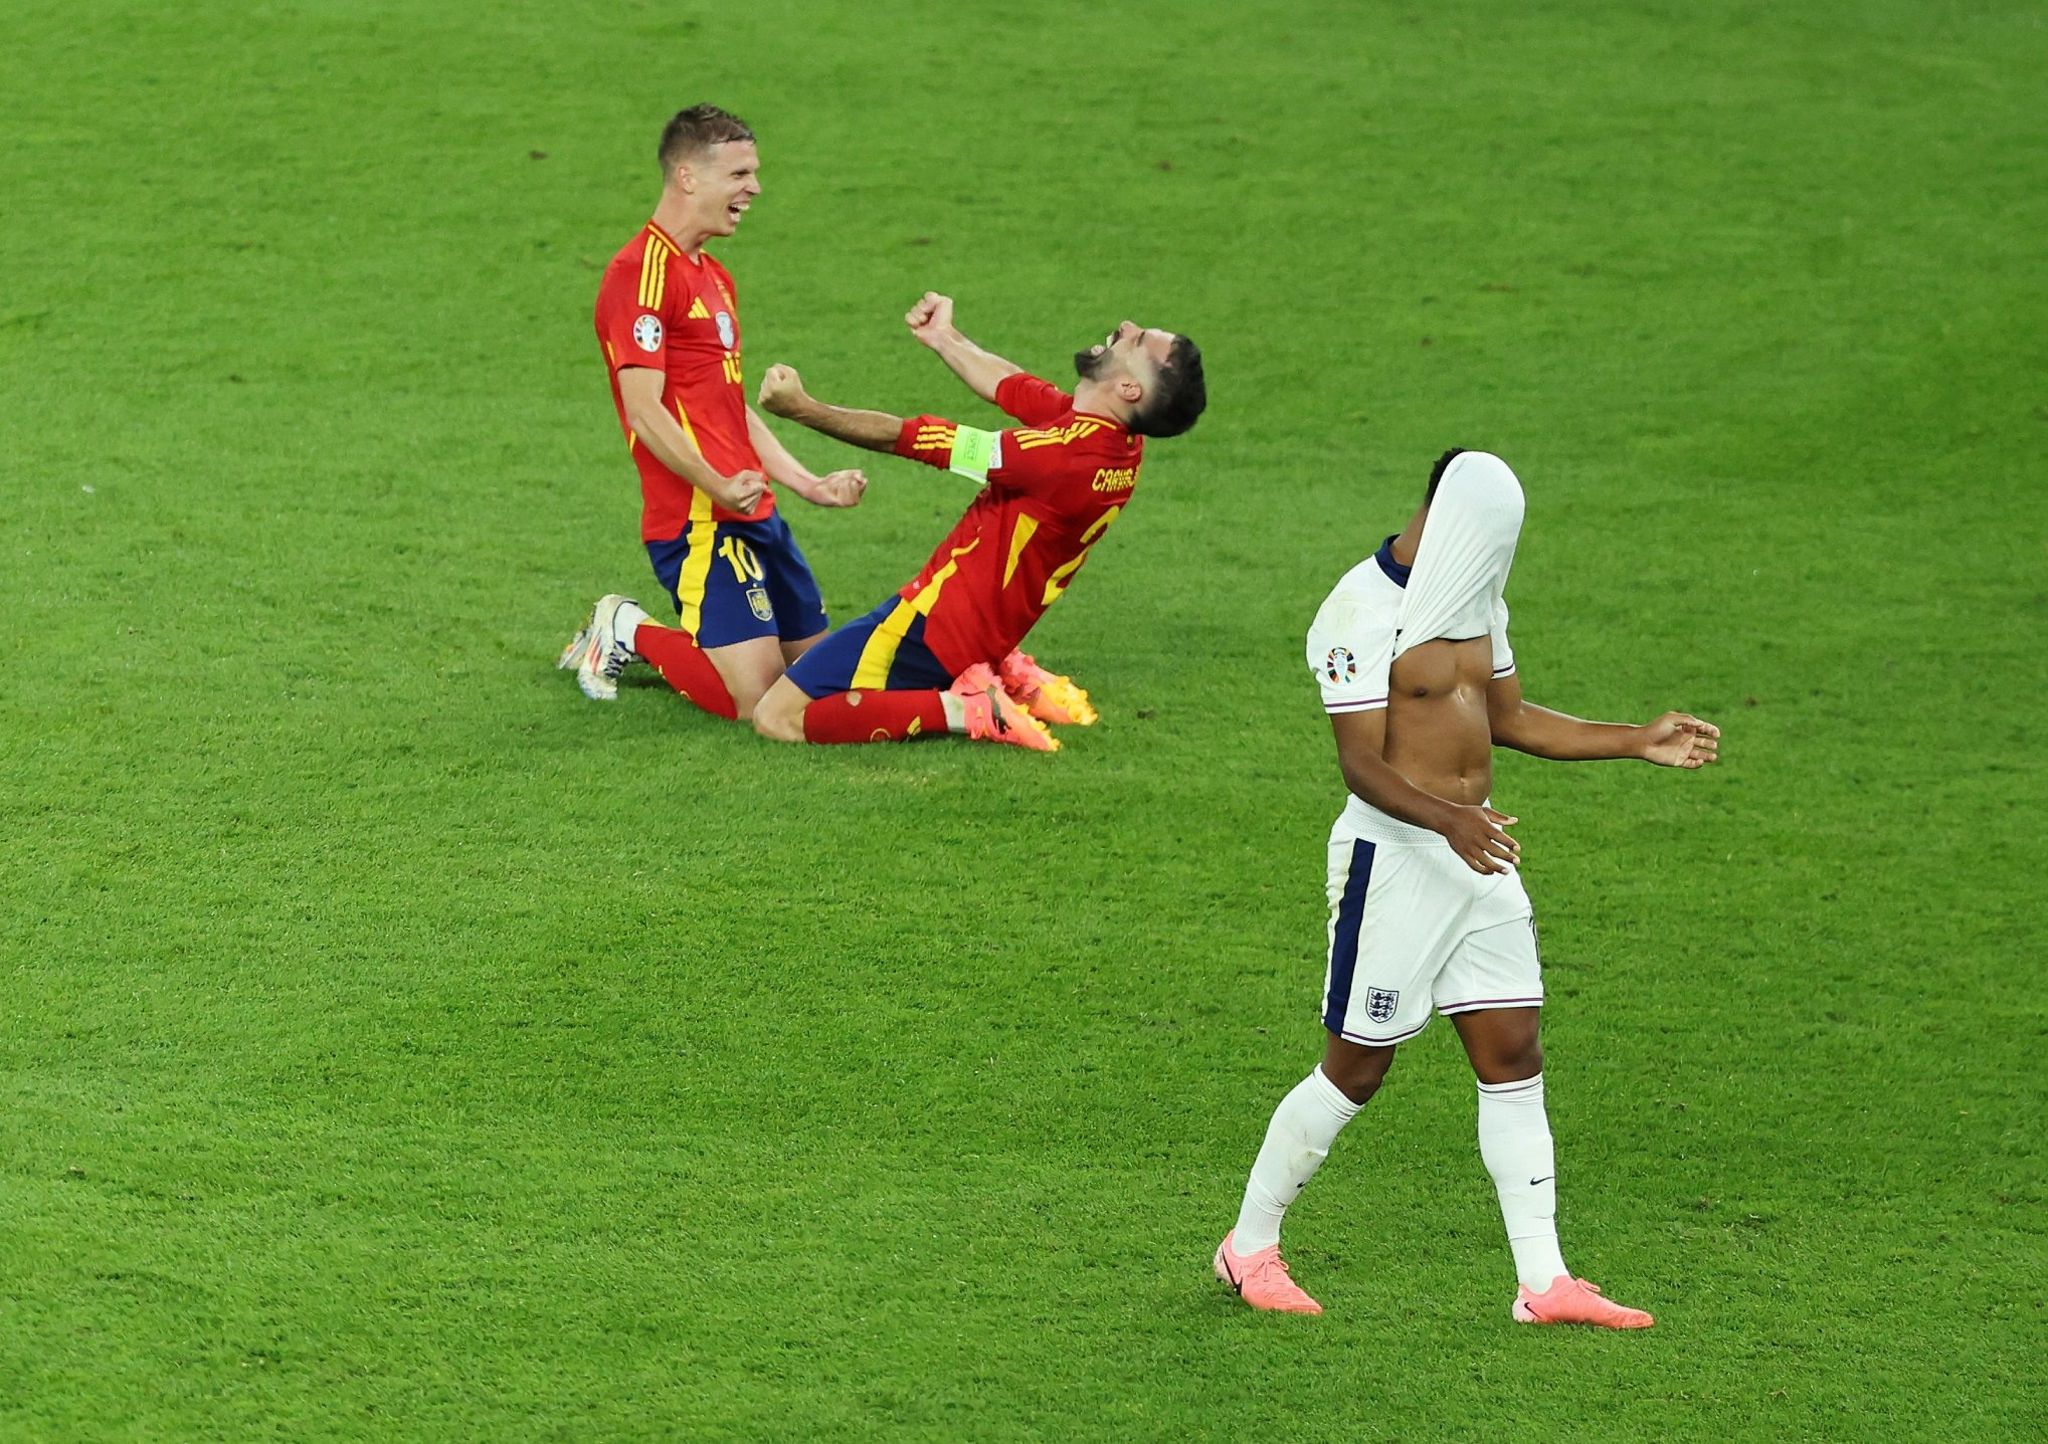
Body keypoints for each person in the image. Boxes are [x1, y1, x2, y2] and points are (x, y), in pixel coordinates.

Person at [1215, 448, 1721, 1323]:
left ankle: (1544, 1283)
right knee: (1355, 1075)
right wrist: (1447, 820)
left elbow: (1510, 717)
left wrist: (1633, 739)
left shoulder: (1477, 593)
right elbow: (1360, 766)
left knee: (1514, 1053)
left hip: (1477, 856)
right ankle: (1249, 1248)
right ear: (1446, 513)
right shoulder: (1357, 611)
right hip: (1395, 863)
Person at [745, 294, 1206, 750]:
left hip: (934, 627)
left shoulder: (1059, 459)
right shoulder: (1114, 443)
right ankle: (999, 670)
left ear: (1129, 390)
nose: (1126, 326)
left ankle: (966, 709)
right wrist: (944, 337)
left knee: (777, 715)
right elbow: (1011, 385)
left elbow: (908, 437)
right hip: (984, 631)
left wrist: (800, 408)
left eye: (1138, 340)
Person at [558, 104, 868, 721]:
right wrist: (717, 485)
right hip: (698, 518)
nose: (754, 188)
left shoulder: (715, 277)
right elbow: (644, 412)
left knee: (815, 681)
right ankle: (624, 627)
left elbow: (729, 410)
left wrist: (807, 483)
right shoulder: (638, 276)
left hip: (754, 509)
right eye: (739, 174)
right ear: (687, 177)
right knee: (758, 700)